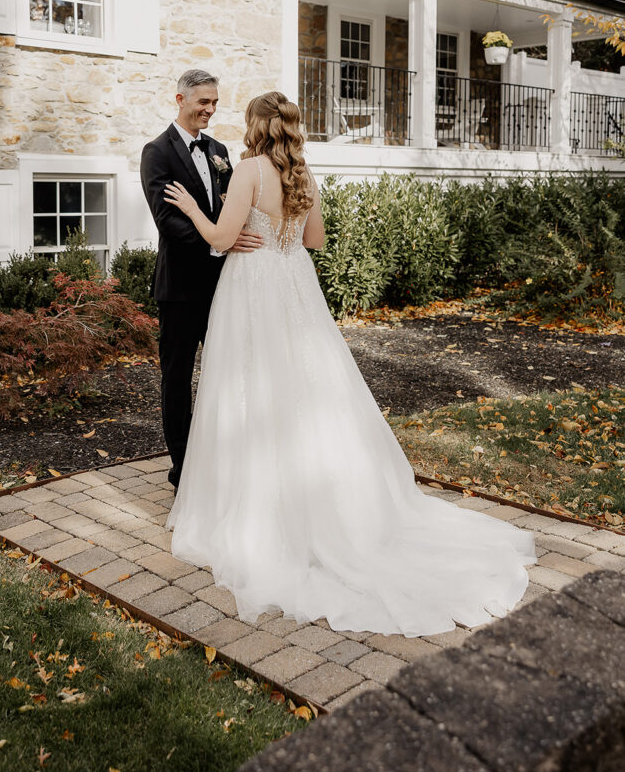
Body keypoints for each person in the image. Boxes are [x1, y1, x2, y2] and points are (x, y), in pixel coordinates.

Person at [162, 91, 537, 637]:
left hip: (255, 290)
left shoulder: (247, 171)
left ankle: (263, 509)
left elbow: (220, 238)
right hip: (295, 285)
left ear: (256, 126)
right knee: (307, 391)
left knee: (251, 387)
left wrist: (195, 209)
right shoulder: (302, 175)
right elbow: (312, 239)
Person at [139, 69, 263, 489]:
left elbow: (230, 207)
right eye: (203, 102)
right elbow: (168, 222)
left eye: (214, 102)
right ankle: (183, 468)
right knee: (177, 379)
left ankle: (224, 457)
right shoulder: (156, 152)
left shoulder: (219, 149)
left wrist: (231, 233)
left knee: (228, 371)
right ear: (180, 99)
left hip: (224, 286)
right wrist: (221, 242)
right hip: (179, 290)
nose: (210, 110)